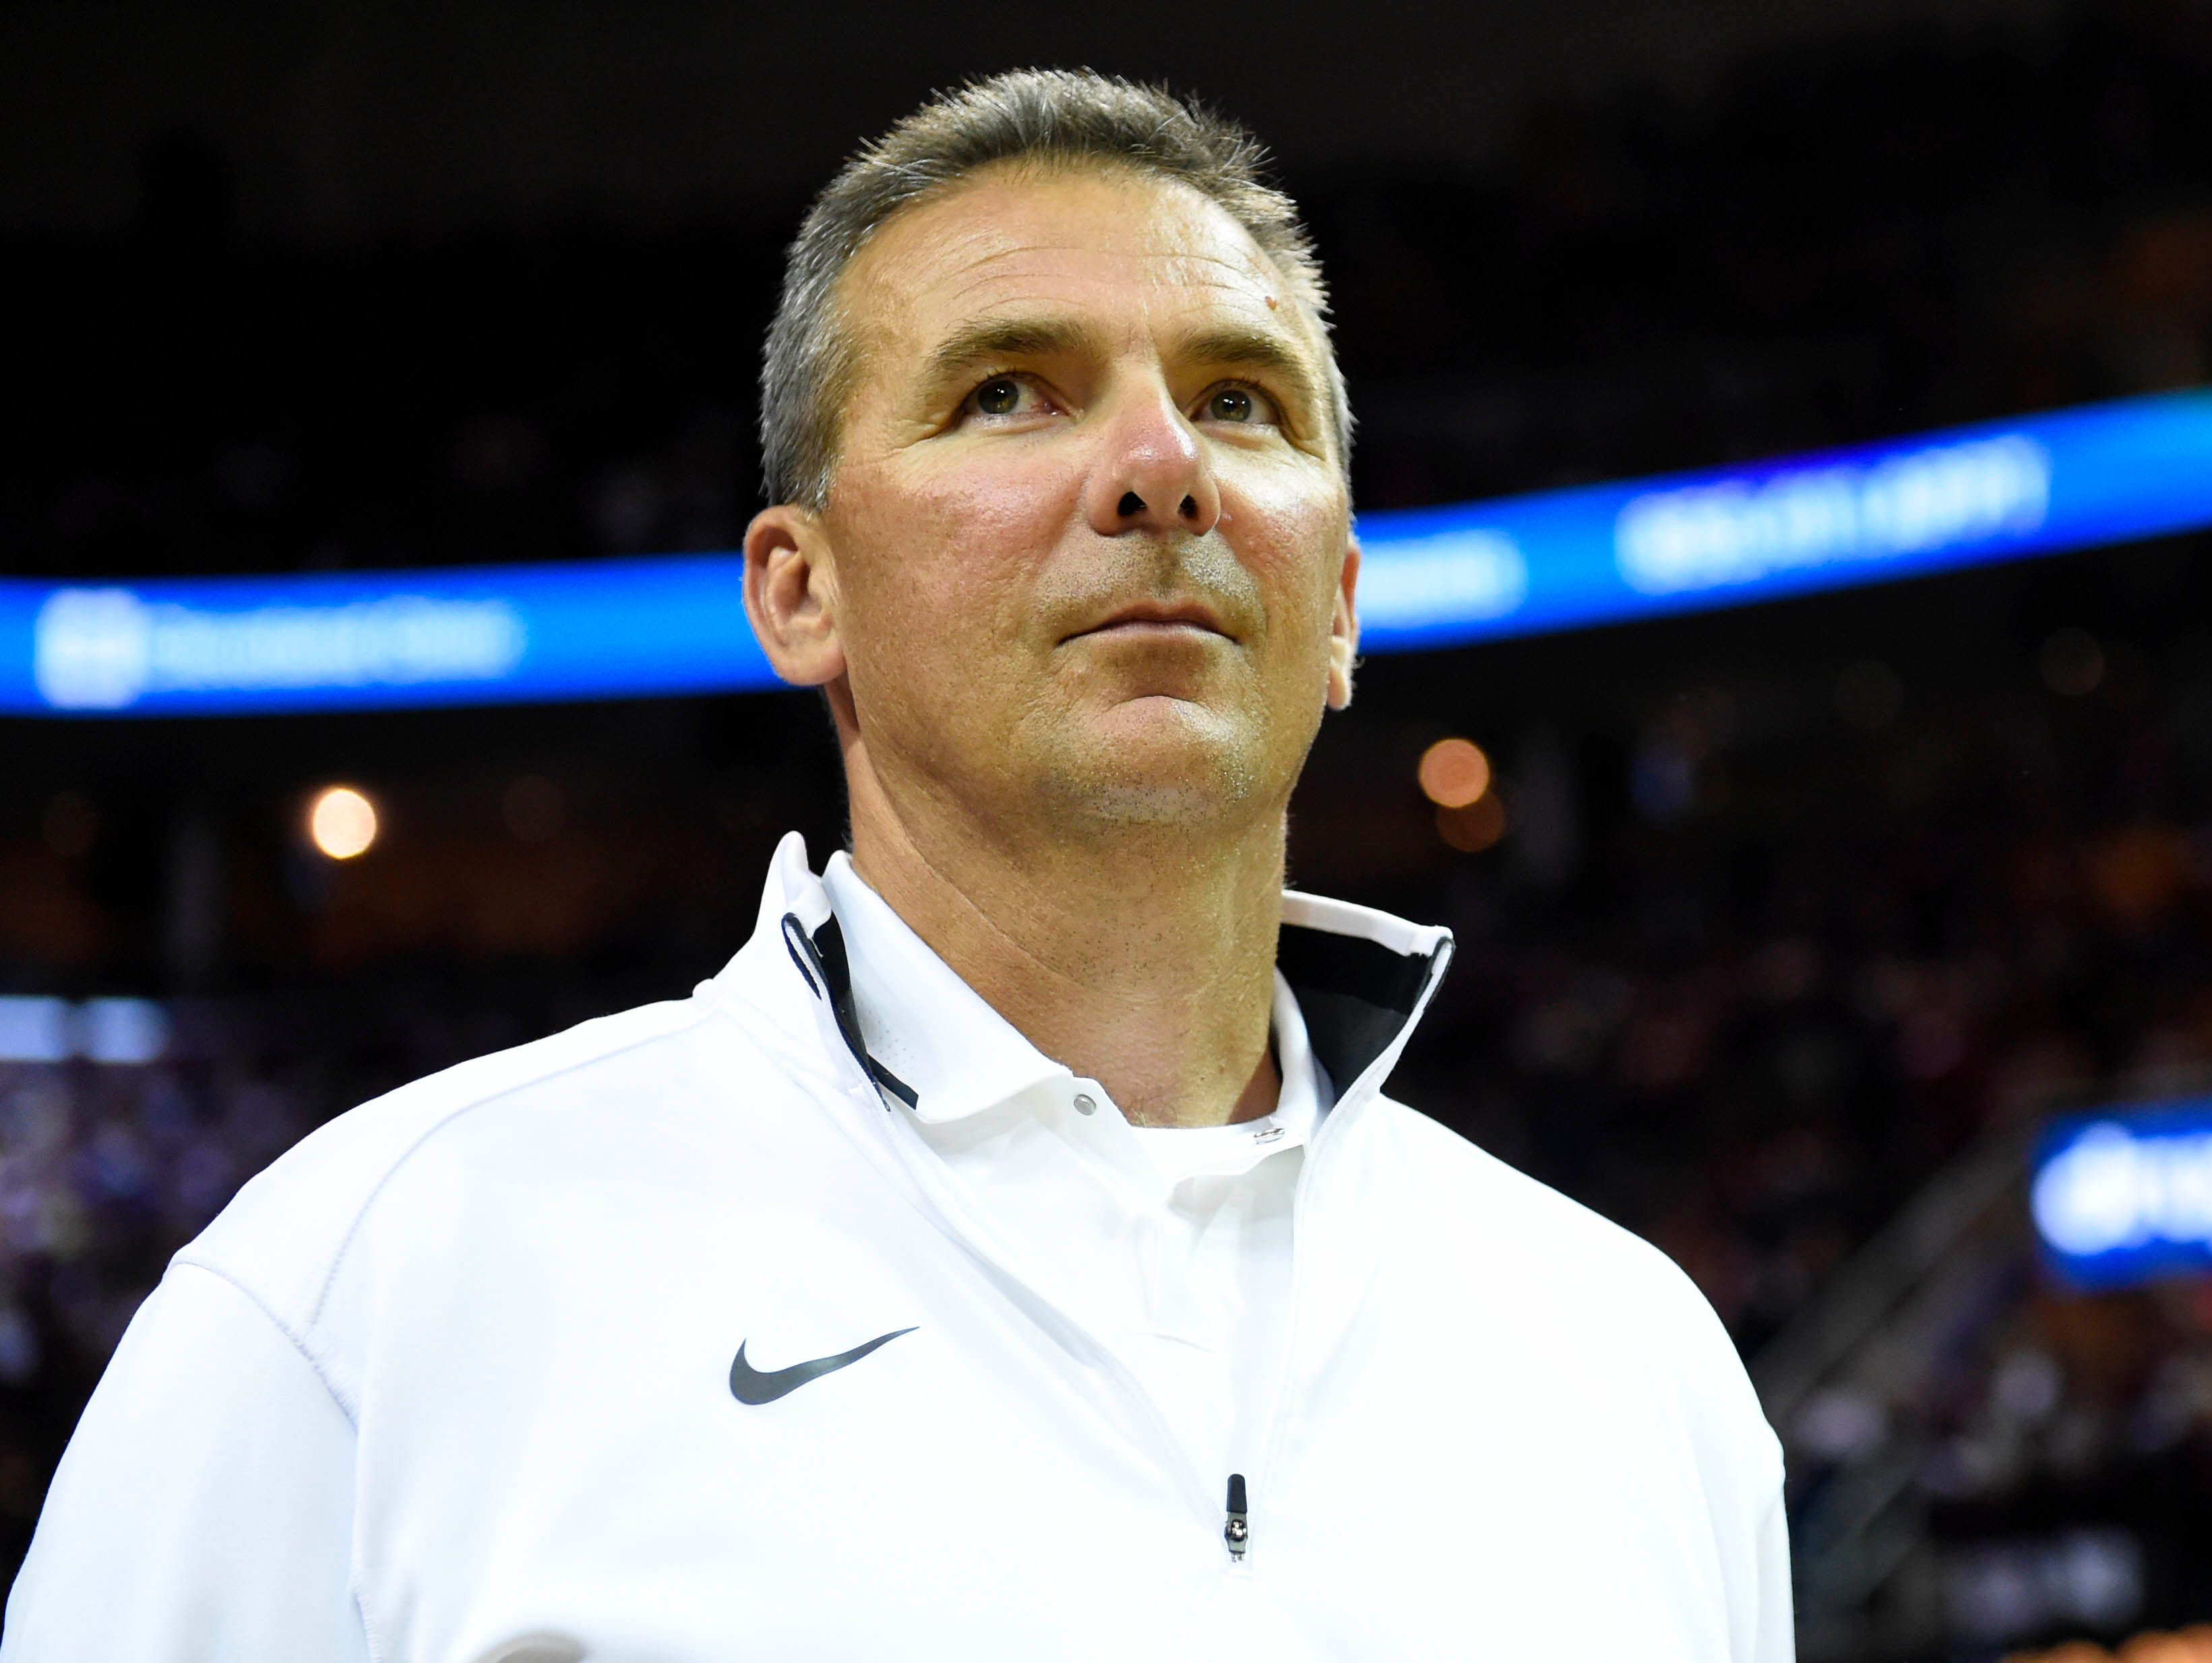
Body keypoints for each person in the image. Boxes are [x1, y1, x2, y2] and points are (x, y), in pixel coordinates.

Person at [3, 70, 1791, 1661]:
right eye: (1011, 391)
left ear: (1336, 604)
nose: (1162, 466)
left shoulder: (1629, 1357)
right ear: (800, 588)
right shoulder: (368, 1291)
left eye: (1240, 401)